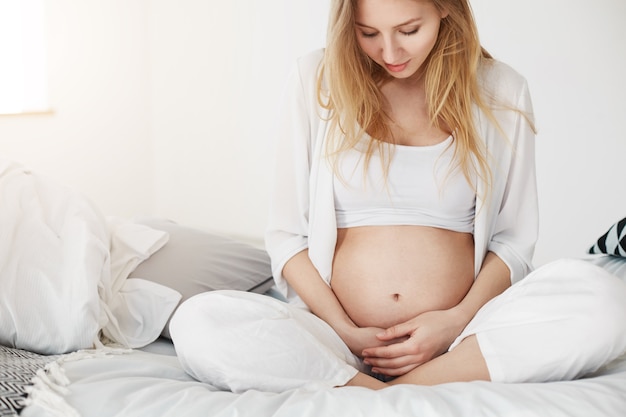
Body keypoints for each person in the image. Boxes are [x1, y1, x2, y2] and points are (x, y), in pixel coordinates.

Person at [169, 0, 626, 392]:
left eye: (409, 30)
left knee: (606, 299)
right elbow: (288, 237)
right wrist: (346, 332)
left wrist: (453, 321)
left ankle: (407, 386)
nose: (389, 52)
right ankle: (362, 383)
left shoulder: (500, 90)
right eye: (368, 33)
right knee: (198, 320)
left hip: (461, 337)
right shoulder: (316, 80)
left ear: (445, 9)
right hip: (334, 340)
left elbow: (513, 242)